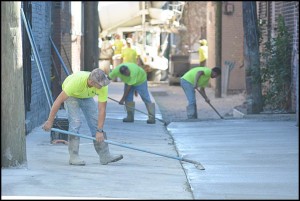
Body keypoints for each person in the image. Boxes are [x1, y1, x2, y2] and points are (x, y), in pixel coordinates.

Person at [42, 68, 123, 166]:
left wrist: (99, 131)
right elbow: (57, 102)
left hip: (86, 96)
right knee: (75, 122)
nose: (103, 87)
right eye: (100, 85)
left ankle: (105, 156)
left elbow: (102, 110)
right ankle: (74, 156)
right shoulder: (75, 83)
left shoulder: (102, 85)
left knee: (95, 122)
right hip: (72, 95)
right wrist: (50, 121)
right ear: (92, 82)